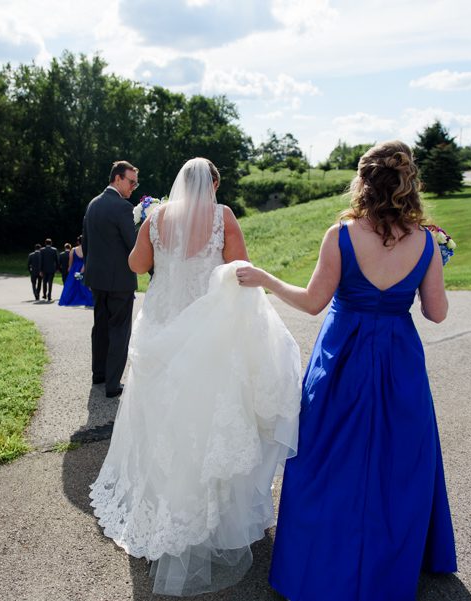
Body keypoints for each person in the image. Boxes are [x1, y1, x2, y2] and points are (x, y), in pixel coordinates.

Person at [236, 140, 458, 600]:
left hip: (342, 358)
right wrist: (430, 268)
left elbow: (313, 302)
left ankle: (317, 564)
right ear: (408, 182)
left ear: (363, 181)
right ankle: (388, 565)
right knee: (399, 460)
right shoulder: (426, 241)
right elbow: (436, 313)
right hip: (399, 361)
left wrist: (266, 279)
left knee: (325, 458)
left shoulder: (341, 235)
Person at [90, 158, 302, 596]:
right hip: (207, 331)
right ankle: (210, 516)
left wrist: (151, 234)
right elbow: (241, 271)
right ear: (213, 185)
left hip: (162, 327)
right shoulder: (223, 216)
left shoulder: (155, 216)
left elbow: (137, 265)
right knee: (206, 417)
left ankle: (163, 505)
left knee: (161, 419)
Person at [82, 161, 140, 398]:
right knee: (119, 330)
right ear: (118, 178)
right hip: (120, 281)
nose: (133, 187)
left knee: (101, 326)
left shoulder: (93, 204)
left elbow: (86, 243)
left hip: (96, 278)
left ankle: (99, 375)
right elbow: (133, 245)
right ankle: (113, 384)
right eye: (131, 182)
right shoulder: (123, 207)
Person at [58, 236, 94, 307]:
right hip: (84, 268)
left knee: (73, 285)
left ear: (78, 242)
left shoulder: (73, 249)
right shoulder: (88, 249)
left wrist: (70, 268)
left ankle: (71, 299)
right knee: (84, 285)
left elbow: (70, 261)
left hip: (75, 269)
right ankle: (87, 300)